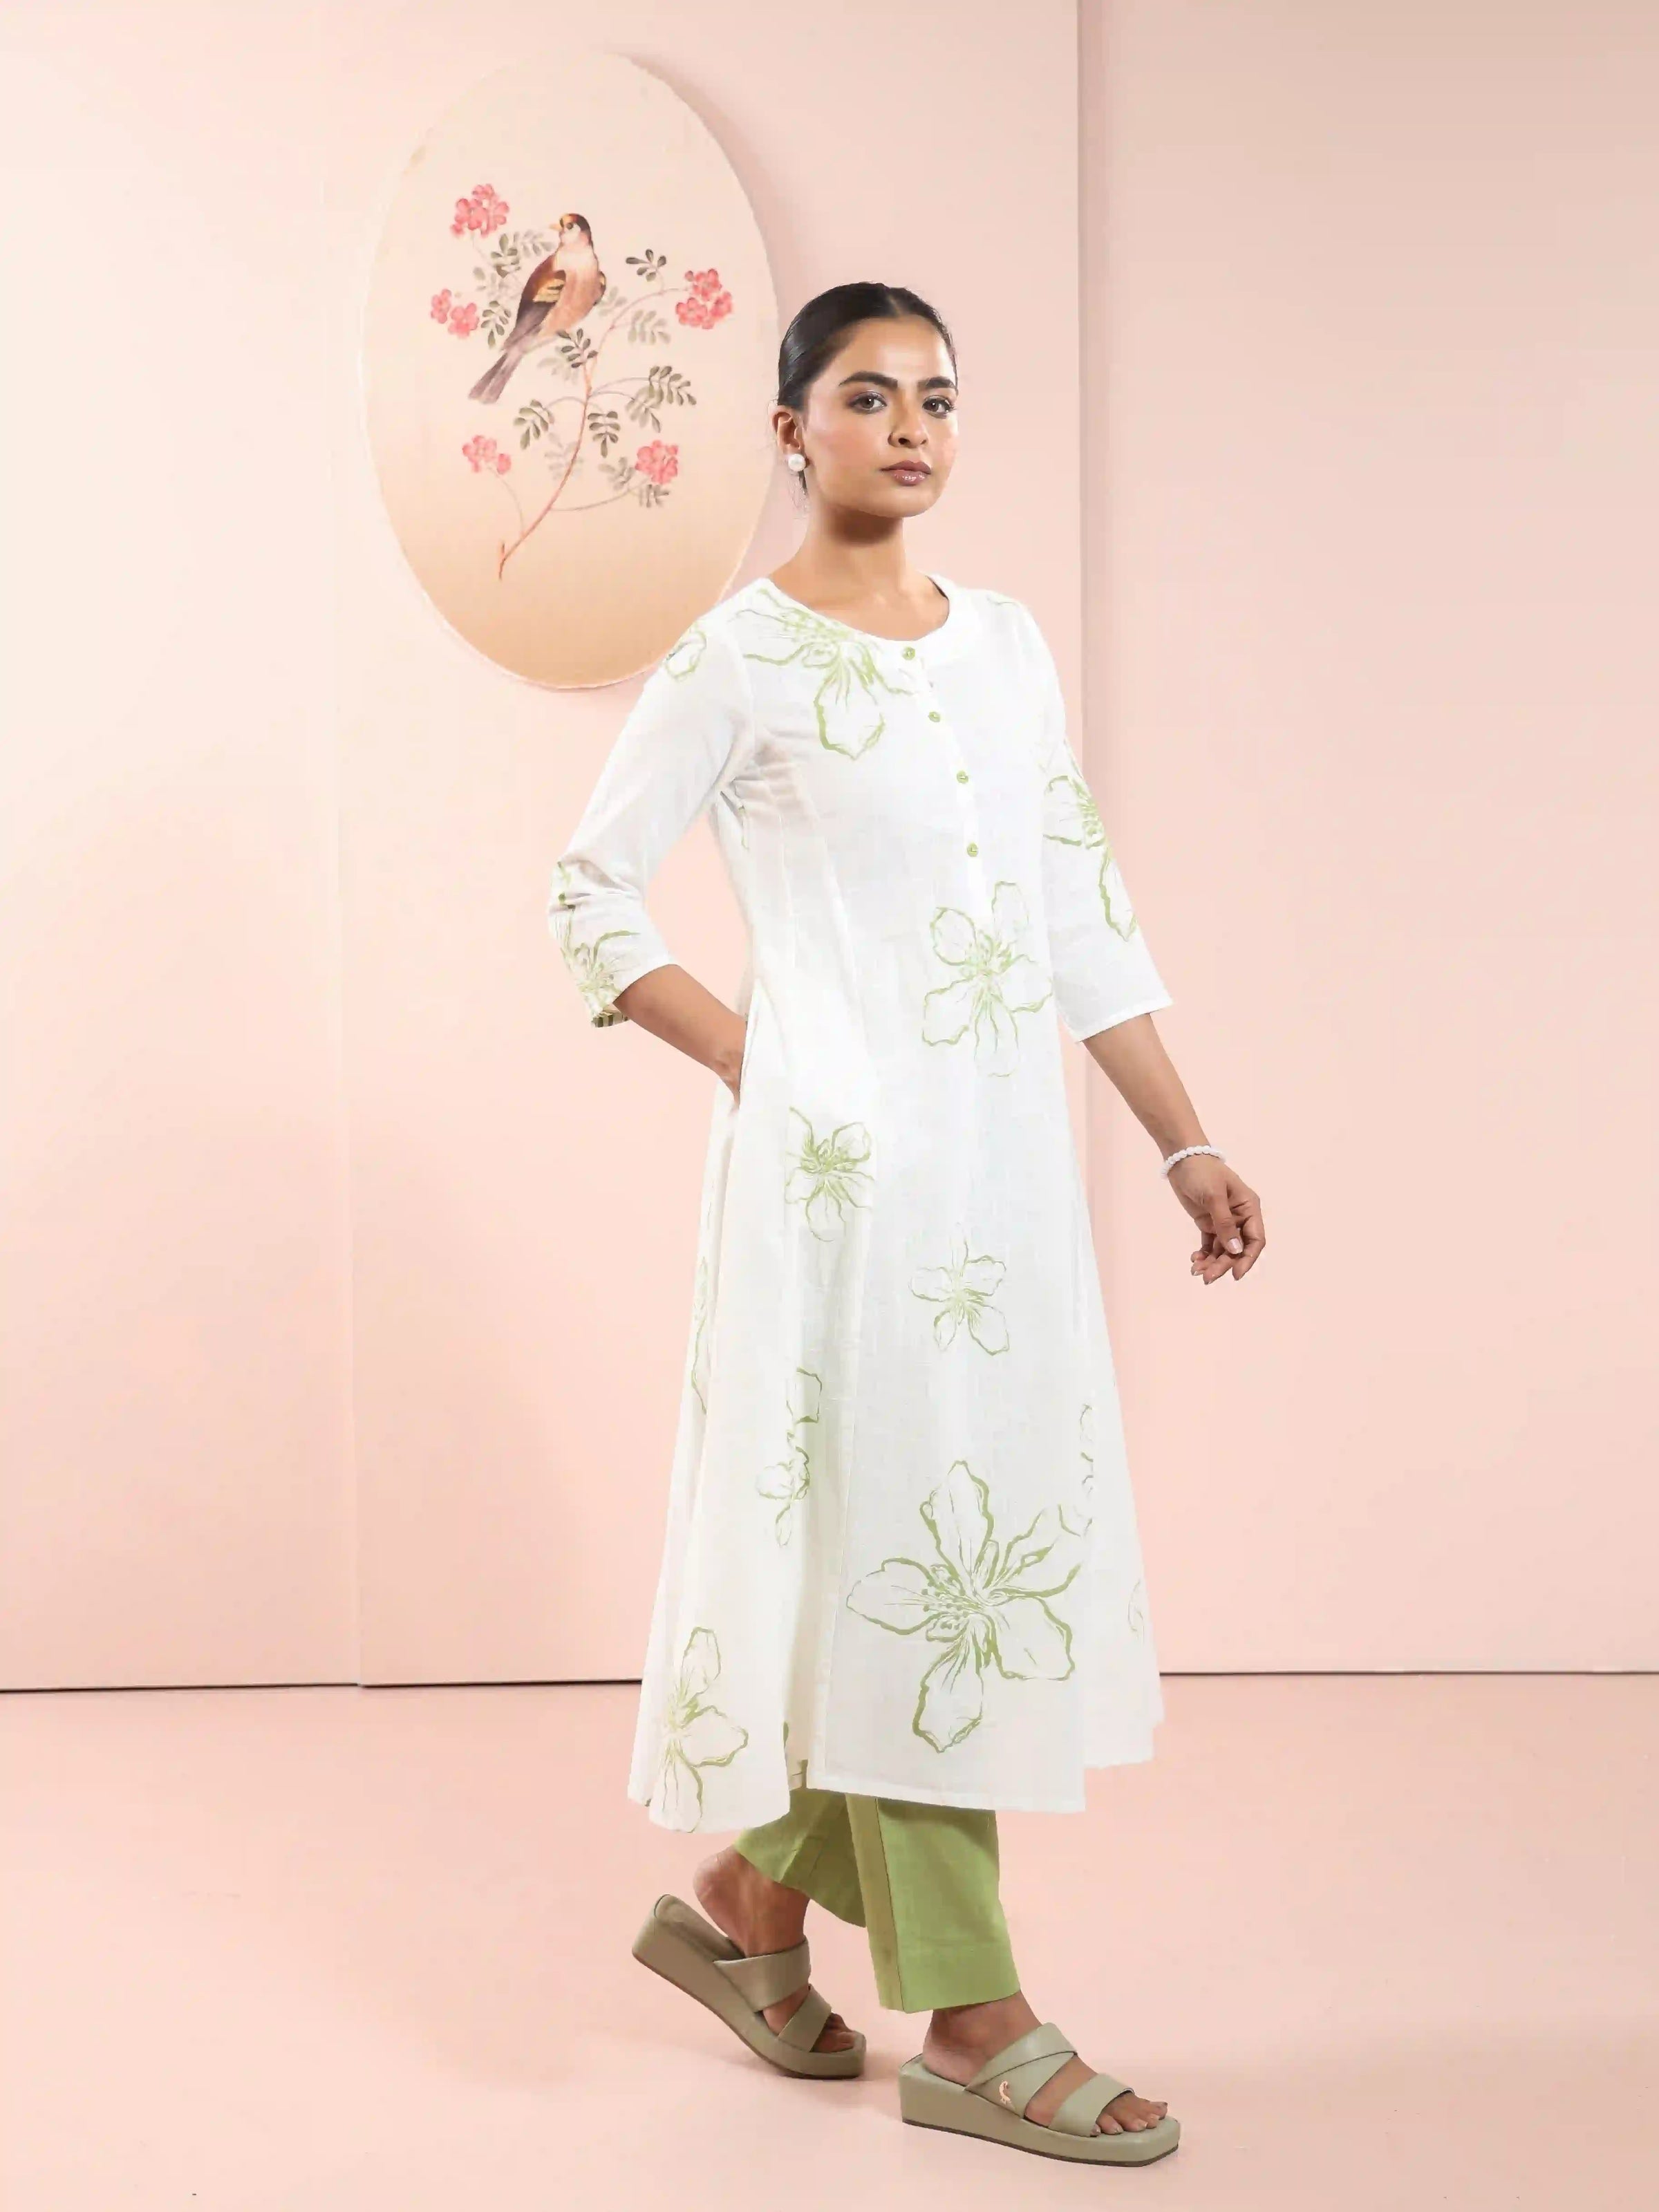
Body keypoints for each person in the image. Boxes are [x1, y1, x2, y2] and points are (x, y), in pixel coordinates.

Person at [550, 281, 1265, 2167]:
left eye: (937, 397)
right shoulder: (734, 659)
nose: (912, 428)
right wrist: (756, 1060)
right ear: (791, 429)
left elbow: (1077, 913)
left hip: (1002, 1189)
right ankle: (973, 2018)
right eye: (868, 396)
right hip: (835, 1201)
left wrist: (1185, 1142)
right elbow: (590, 893)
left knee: (959, 1565)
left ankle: (748, 1903)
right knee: (910, 1576)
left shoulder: (1006, 647)